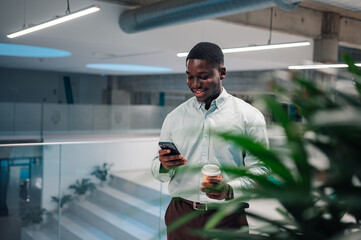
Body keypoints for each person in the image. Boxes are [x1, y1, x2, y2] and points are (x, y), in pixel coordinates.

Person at [151, 42, 269, 240]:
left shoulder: (249, 117)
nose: (195, 84)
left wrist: (230, 190)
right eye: (190, 77)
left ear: (222, 72)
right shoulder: (174, 118)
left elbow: (262, 170)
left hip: (227, 217)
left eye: (203, 76)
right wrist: (163, 166)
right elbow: (157, 169)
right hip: (181, 215)